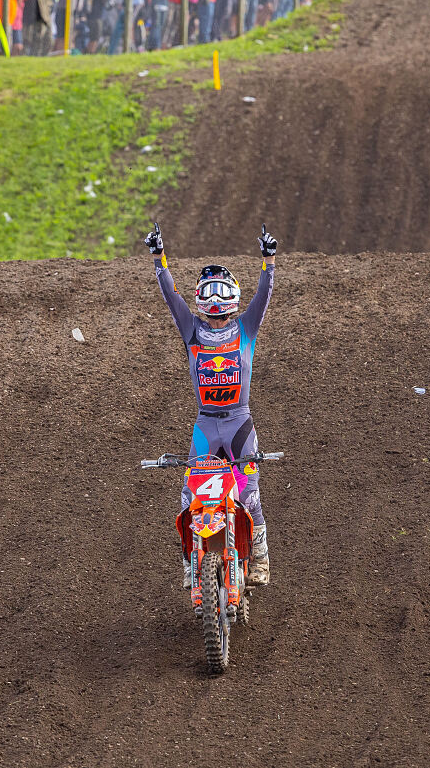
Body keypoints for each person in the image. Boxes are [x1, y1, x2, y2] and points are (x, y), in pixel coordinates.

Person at [143, 221, 277, 589]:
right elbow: (173, 299)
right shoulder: (192, 330)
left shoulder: (246, 328)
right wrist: (159, 259)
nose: (216, 308)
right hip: (207, 424)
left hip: (237, 423)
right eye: (210, 300)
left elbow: (262, 299)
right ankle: (191, 565)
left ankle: (261, 561)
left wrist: (269, 261)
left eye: (221, 301)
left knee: (248, 494)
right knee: (191, 496)